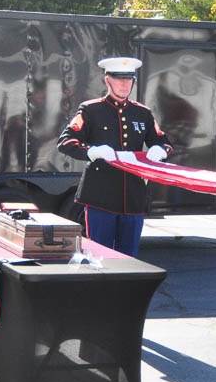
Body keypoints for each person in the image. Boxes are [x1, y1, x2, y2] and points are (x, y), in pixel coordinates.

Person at [57, 57, 173, 257]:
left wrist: (160, 150)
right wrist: (92, 151)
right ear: (107, 80)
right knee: (100, 256)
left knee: (129, 257)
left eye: (128, 80)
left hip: (133, 197)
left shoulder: (142, 113)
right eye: (119, 79)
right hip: (101, 197)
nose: (124, 84)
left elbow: (165, 143)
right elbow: (66, 142)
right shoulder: (91, 110)